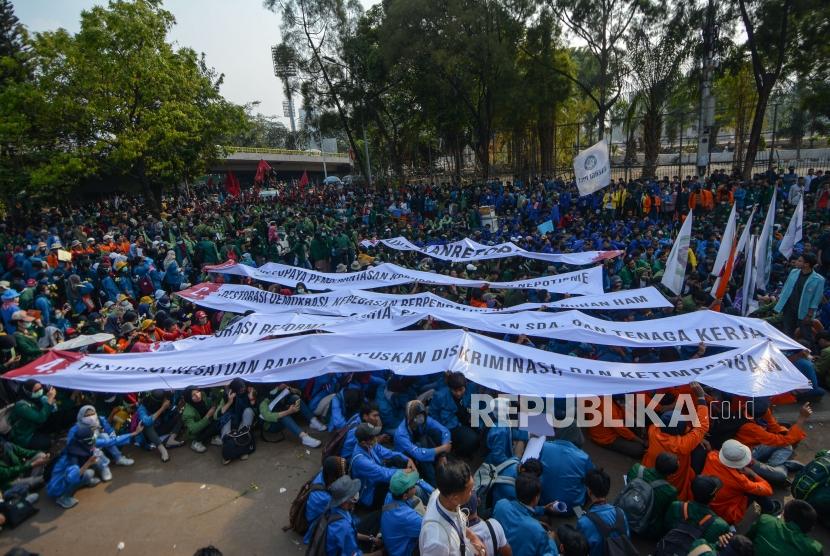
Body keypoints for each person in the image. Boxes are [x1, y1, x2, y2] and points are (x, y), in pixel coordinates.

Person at [642, 382, 710, 500]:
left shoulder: (653, 430)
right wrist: (701, 398)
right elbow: (702, 426)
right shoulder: (682, 445)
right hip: (672, 484)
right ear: (682, 429)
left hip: (650, 471)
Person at [420, 458, 488, 556]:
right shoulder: (437, 542)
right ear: (455, 498)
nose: (472, 492)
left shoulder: (440, 494)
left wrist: (473, 537)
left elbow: (456, 523)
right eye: (469, 490)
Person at [702, 439, 779, 524]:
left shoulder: (712, 456)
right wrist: (753, 473)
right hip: (727, 514)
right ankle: (770, 508)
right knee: (754, 488)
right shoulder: (740, 481)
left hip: (709, 504)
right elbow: (768, 490)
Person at [734, 398, 811, 484]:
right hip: (744, 458)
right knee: (781, 475)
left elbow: (775, 427)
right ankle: (780, 467)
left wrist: (785, 433)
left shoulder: (754, 407)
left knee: (787, 445)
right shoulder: (749, 427)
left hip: (753, 448)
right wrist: (802, 418)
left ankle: (769, 468)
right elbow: (784, 440)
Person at [350, 422, 415, 509]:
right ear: (363, 442)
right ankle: (396, 508)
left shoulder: (370, 445)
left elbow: (389, 453)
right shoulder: (360, 460)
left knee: (398, 459)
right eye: (372, 437)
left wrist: (407, 459)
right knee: (399, 487)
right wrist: (404, 471)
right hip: (371, 495)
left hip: (377, 481)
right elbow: (383, 474)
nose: (376, 438)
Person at [493, 473, 558, 556]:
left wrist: (543, 509)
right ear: (536, 498)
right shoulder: (538, 530)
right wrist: (551, 541)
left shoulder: (501, 505)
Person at [318, 475, 384, 556]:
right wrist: (379, 553)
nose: (355, 497)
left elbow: (352, 533)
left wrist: (371, 539)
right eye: (353, 496)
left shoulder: (334, 508)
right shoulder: (343, 526)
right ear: (345, 502)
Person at [394, 400, 451, 486]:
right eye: (417, 416)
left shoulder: (424, 421)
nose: (421, 418)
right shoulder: (400, 434)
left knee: (427, 437)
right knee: (422, 449)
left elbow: (445, 431)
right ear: (409, 417)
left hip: (422, 451)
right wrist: (442, 448)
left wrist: (442, 455)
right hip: (406, 459)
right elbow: (418, 454)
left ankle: (441, 468)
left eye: (422, 415)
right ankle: (434, 483)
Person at [577, 469, 632, 556]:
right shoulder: (620, 513)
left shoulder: (583, 522)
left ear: (589, 491)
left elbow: (580, 548)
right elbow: (627, 537)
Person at [663, 475, 731, 545]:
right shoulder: (721, 525)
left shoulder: (676, 506)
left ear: (692, 491)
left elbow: (666, 526)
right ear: (714, 497)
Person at [624, 453, 679, 537]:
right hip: (646, 528)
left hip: (624, 511)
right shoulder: (670, 491)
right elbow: (667, 515)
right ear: (671, 474)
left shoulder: (636, 469)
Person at [46, 424, 101, 509]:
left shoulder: (75, 446)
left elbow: (108, 442)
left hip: (66, 477)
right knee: (76, 476)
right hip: (56, 486)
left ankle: (79, 485)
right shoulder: (71, 457)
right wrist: (89, 463)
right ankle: (63, 497)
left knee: (89, 473)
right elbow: (72, 477)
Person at [775, 253, 825, 337]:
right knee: (787, 333)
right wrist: (780, 299)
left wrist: (809, 315)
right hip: (789, 308)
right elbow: (786, 287)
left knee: (806, 334)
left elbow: (816, 299)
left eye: (799, 261)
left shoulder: (819, 280)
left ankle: (811, 349)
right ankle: (788, 350)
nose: (796, 262)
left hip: (804, 312)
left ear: (806, 264)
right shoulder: (793, 272)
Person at [747, 499, 822, 556]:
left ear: (783, 514)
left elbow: (748, 538)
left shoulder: (765, 520)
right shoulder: (815, 548)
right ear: (810, 529)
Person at [257, 384, 324, 448]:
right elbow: (268, 416)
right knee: (284, 417)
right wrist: (289, 411)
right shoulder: (263, 400)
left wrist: (290, 389)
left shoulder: (279, 390)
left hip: (281, 411)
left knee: (295, 398)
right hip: (270, 425)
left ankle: (313, 421)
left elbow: (299, 392)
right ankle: (304, 437)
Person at [430, 372, 479, 458]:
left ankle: (466, 451)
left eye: (461, 390)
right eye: (455, 390)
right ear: (449, 388)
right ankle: (457, 455)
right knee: (471, 439)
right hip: (450, 426)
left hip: (468, 420)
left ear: (465, 386)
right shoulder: (440, 396)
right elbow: (433, 415)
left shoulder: (471, 388)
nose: (458, 393)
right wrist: (442, 431)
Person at [539, 437, 594, 509]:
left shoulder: (544, 446)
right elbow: (593, 477)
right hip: (571, 509)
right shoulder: (584, 457)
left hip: (542, 503)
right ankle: (580, 514)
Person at [380, 470, 426, 556]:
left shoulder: (389, 496)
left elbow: (404, 505)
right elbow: (428, 529)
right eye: (412, 486)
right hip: (404, 552)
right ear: (405, 496)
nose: (415, 486)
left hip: (393, 543)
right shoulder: (407, 517)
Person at [304, 456, 347, 544]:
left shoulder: (324, 473)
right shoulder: (324, 497)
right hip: (316, 523)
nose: (344, 474)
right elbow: (339, 510)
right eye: (341, 473)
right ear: (334, 475)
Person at [9, 379, 57, 451]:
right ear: (28, 392)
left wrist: (49, 400)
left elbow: (51, 410)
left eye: (41, 388)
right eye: (36, 391)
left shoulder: (37, 398)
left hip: (34, 427)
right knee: (47, 442)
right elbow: (40, 418)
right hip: (24, 436)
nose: (40, 391)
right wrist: (49, 401)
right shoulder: (22, 406)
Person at [137, 389, 184, 463]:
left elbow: (172, 411)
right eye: (164, 400)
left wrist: (176, 406)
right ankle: (163, 450)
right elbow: (146, 422)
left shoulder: (165, 402)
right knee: (146, 425)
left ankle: (171, 439)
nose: (166, 401)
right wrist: (162, 408)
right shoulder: (142, 408)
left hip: (160, 428)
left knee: (180, 416)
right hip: (150, 435)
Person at [181, 386, 223, 453]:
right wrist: (207, 416)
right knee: (210, 426)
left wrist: (215, 402)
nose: (197, 396)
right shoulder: (187, 413)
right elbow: (193, 429)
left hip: (207, 423)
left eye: (197, 392)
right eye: (193, 395)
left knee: (219, 421)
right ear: (188, 398)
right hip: (196, 433)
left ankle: (212, 438)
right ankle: (196, 442)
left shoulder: (203, 397)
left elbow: (210, 402)